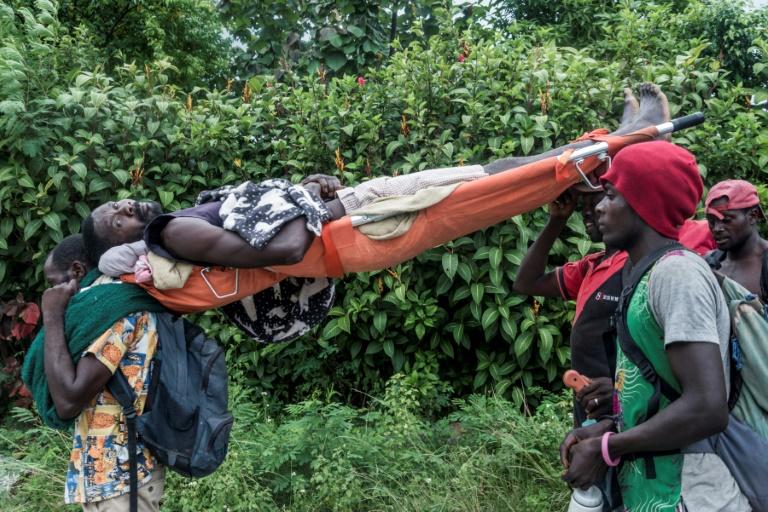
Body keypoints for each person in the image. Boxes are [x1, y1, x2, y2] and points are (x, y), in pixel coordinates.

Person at [80, 84, 673, 315]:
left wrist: (308, 190)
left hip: (353, 214)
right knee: (486, 191)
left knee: (486, 173)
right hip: (359, 230)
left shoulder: (182, 221)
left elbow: (270, 225)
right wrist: (308, 205)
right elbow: (287, 246)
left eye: (121, 202)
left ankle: (608, 143)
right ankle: (620, 141)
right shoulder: (172, 234)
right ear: (121, 240)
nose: (128, 207)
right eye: (117, 217)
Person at [560, 141, 750, 511]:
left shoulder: (677, 274)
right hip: (657, 491)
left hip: (689, 493)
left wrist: (608, 448)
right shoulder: (644, 273)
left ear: (643, 201)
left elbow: (707, 407)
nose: (599, 206)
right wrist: (612, 423)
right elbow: (669, 393)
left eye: (611, 195)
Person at [37, 237, 167, 510]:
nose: (52, 291)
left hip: (124, 477)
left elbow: (67, 401)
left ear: (77, 271)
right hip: (106, 478)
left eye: (54, 282)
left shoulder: (119, 313)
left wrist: (51, 315)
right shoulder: (103, 312)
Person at [704, 179, 768, 301]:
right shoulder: (708, 264)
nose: (717, 229)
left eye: (726, 220)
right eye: (712, 222)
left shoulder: (764, 264)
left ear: (752, 216)